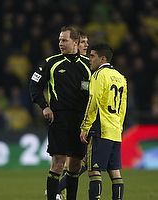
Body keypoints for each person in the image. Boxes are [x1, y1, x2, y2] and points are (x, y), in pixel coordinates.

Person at [29, 26, 91, 200]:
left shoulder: (87, 65)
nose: (61, 44)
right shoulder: (51, 62)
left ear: (75, 42)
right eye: (59, 40)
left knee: (76, 166)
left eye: (64, 40)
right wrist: (44, 106)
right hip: (59, 118)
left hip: (80, 120)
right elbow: (34, 85)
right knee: (58, 163)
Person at [80, 43, 127, 200]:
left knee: (93, 170)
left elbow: (93, 101)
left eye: (92, 56)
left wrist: (85, 126)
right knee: (115, 172)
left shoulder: (99, 75)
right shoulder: (121, 77)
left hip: (101, 128)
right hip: (115, 130)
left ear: (103, 58)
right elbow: (123, 108)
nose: (89, 59)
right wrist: (119, 126)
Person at [57, 29, 89, 199]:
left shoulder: (89, 67)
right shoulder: (73, 66)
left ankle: (59, 188)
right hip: (77, 119)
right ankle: (57, 188)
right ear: (77, 43)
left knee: (79, 162)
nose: (86, 45)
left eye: (87, 42)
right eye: (83, 42)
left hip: (86, 118)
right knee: (83, 161)